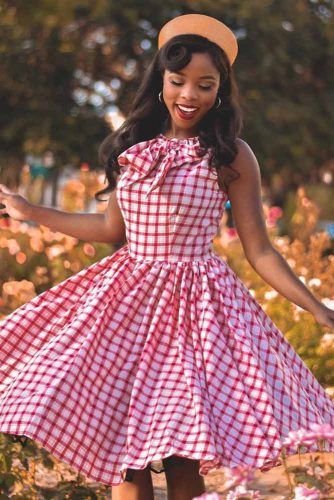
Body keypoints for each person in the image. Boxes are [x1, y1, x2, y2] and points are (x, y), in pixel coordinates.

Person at [0, 12, 334, 500]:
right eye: (178, 81)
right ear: (161, 82)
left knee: (182, 457)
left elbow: (259, 249)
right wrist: (31, 211)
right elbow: (108, 228)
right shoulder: (133, 148)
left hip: (197, 315)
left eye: (205, 84)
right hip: (126, 307)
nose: (189, 95)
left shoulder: (230, 155)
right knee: (123, 458)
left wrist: (317, 307)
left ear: (220, 90)